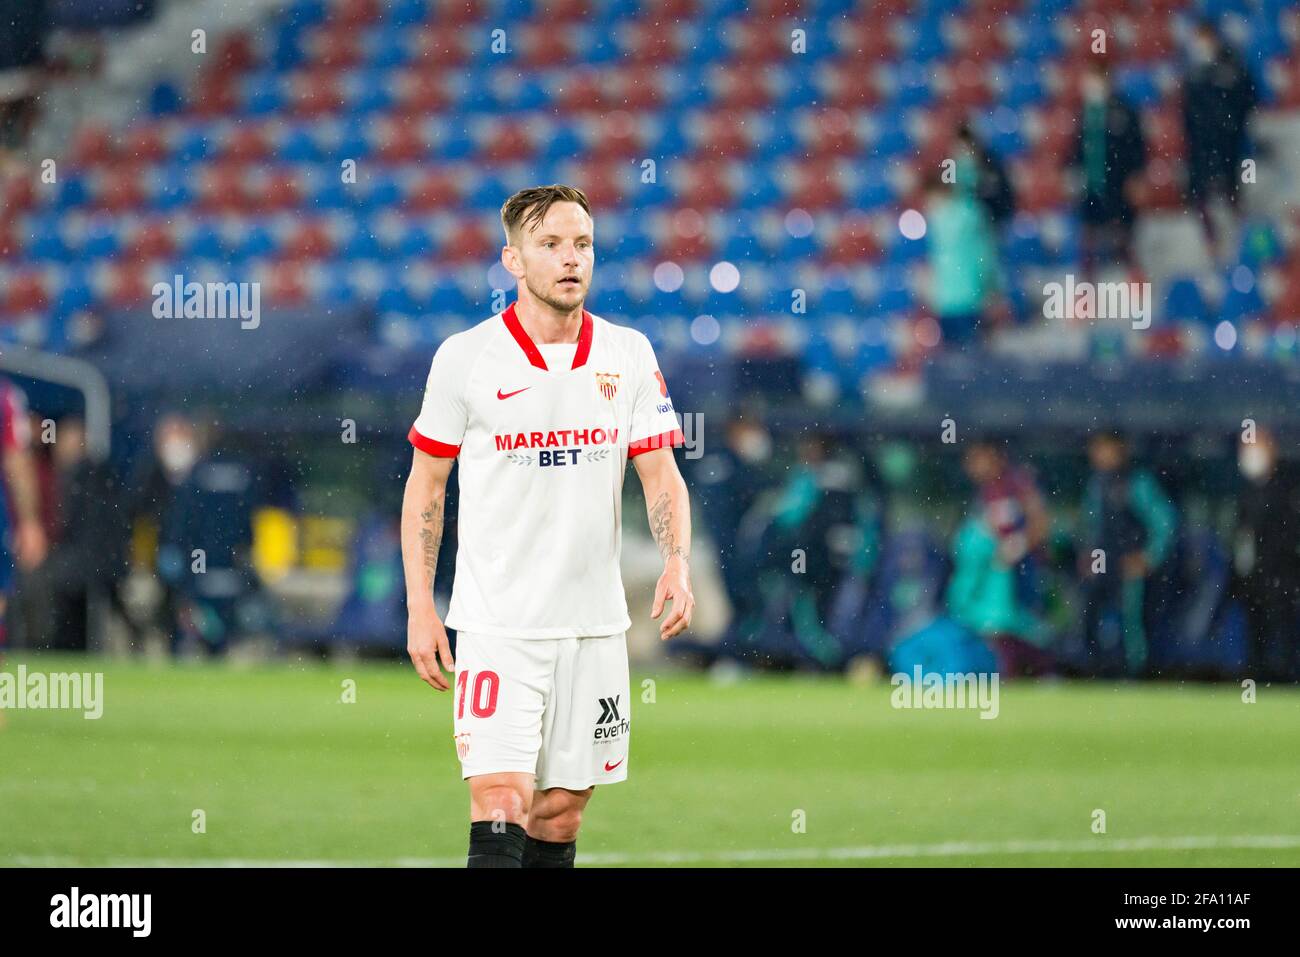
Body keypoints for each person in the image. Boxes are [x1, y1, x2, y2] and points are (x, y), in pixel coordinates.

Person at [401, 184, 694, 868]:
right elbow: (426, 486)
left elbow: (660, 474)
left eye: (583, 244)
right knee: (501, 800)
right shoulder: (466, 359)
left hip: (593, 625)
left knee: (558, 814)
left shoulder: (627, 353)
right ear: (513, 260)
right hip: (498, 625)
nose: (571, 259)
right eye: (551, 245)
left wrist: (676, 559)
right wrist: (421, 603)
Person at [1077, 431, 1177, 678]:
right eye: (1097, 449)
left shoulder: (1137, 483)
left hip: (1127, 565)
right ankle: (1094, 669)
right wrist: (1088, 554)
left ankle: (1136, 674)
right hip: (1102, 563)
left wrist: (1148, 557)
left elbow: (1165, 522)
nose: (1101, 456)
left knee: (1131, 623)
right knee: (1090, 614)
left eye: (1107, 449)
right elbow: (1091, 525)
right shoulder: (1097, 485)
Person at [955, 440, 1053, 675]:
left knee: (1027, 630)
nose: (973, 467)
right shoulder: (983, 493)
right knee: (996, 630)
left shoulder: (1018, 484)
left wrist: (1018, 545)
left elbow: (1041, 523)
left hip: (1024, 574)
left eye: (978, 459)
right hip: (996, 579)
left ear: (994, 456)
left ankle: (1047, 672)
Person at [1182, 19, 1258, 261]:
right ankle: (1212, 245)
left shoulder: (1231, 67)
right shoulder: (1193, 72)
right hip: (1202, 147)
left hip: (1231, 145)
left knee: (1234, 195)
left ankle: (1245, 242)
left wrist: (1229, 126)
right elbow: (1188, 113)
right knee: (1200, 195)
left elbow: (1246, 99)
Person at [1230, 428, 1300, 682]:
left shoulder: (1289, 485)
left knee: (1284, 632)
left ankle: (1286, 680)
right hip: (1253, 579)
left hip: (1284, 574)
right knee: (1254, 632)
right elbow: (1241, 537)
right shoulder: (1247, 491)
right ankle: (1257, 680)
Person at [1072, 58, 1147, 280]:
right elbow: (1078, 149)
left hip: (1118, 186)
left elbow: (1137, 148)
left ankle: (1137, 285)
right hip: (1091, 186)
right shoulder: (1086, 113)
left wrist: (1136, 178)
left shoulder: (1123, 111)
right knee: (1088, 242)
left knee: (1123, 240)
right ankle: (1086, 295)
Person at [924, 170, 999, 347]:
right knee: (959, 353)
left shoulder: (967, 215)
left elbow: (984, 253)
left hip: (967, 296)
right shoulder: (958, 215)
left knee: (968, 352)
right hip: (950, 298)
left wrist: (988, 285)